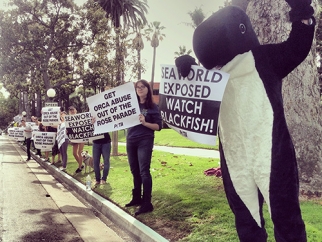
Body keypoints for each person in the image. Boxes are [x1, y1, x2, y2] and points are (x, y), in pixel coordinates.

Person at [125, 79, 162, 216]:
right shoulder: (130, 105)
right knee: (134, 170)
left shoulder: (153, 106)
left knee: (144, 171)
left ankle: (147, 203)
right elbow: (115, 118)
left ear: (148, 89)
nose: (140, 89)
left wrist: (145, 123)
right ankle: (136, 198)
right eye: (138, 87)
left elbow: (158, 127)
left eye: (143, 87)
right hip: (131, 140)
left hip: (144, 140)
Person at [68, 105, 85, 173]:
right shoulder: (68, 120)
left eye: (73, 110)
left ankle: (79, 167)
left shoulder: (80, 117)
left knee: (80, 152)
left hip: (81, 136)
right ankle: (81, 164)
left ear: (76, 110)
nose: (72, 111)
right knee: (74, 153)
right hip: (74, 137)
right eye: (70, 110)